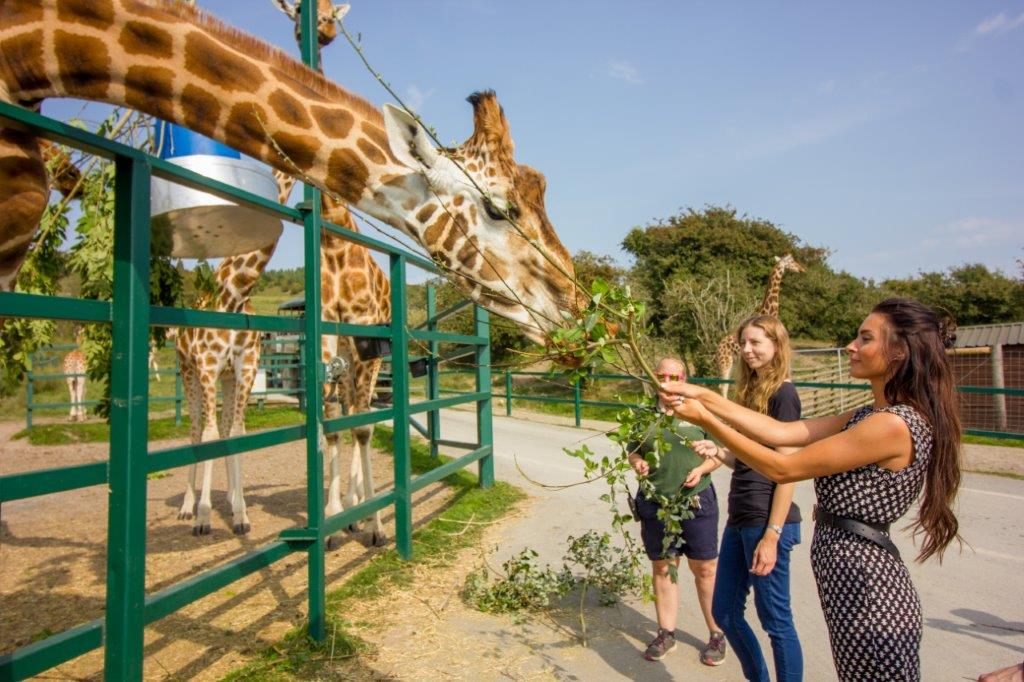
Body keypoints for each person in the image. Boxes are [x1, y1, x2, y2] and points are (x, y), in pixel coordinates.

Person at [660, 298, 962, 681]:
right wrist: (703, 395)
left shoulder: (893, 425)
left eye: (865, 338)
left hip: (871, 594)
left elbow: (782, 466)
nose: (851, 346)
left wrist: (705, 417)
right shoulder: (867, 414)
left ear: (898, 352)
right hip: (849, 588)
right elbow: (783, 433)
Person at [693, 315, 804, 681]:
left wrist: (772, 534)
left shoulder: (783, 394)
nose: (746, 349)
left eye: (756, 342)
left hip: (766, 522)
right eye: (744, 342)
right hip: (740, 518)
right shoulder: (751, 392)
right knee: (724, 612)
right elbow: (751, 458)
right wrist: (720, 452)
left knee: (776, 620)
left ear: (777, 345)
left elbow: (788, 469)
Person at [628, 357, 727, 665]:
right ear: (653, 378)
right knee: (663, 567)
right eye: (662, 376)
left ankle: (716, 634)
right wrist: (637, 463)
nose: (668, 381)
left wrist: (702, 469)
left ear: (685, 378)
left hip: (696, 502)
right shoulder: (643, 414)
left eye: (674, 375)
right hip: (657, 504)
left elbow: (720, 453)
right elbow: (632, 450)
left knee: (706, 570)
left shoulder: (700, 411)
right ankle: (666, 632)